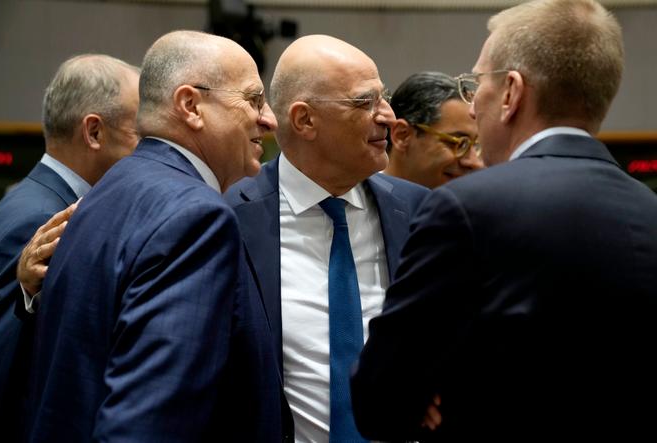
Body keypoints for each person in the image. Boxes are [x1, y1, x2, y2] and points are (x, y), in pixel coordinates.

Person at [351, 0, 657, 440]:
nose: (473, 107)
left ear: (512, 92)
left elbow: (381, 399)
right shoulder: (648, 213)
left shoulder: (466, 208)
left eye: (477, 85)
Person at [27, 31, 289, 442]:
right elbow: (152, 421)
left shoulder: (108, 189)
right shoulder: (196, 217)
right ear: (191, 106)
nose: (270, 118)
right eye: (253, 100)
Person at [225, 34, 430, 442]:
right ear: (305, 120)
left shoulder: (419, 211)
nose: (388, 115)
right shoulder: (229, 220)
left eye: (383, 98)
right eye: (364, 102)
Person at [0, 54, 140, 441]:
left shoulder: (35, 199)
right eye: (140, 132)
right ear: (94, 132)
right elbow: (5, 360)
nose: (149, 152)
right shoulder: (42, 220)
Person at [384, 71, 484, 188]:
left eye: (476, 145)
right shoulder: (361, 201)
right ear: (402, 135)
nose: (475, 162)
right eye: (457, 142)